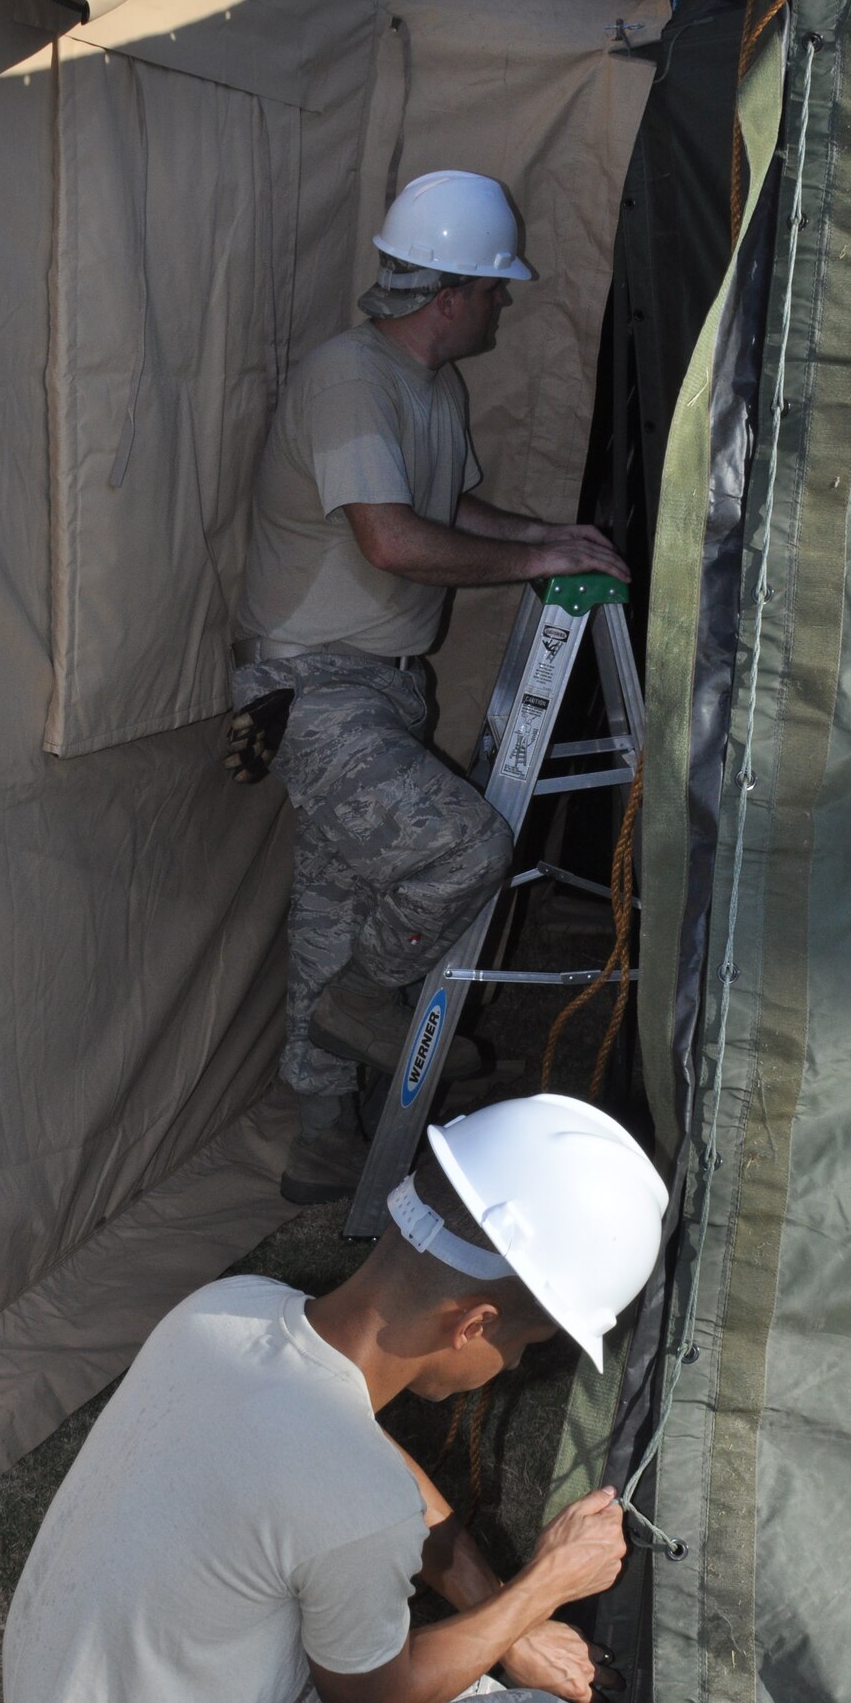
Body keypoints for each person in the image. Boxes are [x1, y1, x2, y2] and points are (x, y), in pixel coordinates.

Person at [0, 1094, 668, 1703]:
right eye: (523, 1345)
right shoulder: (353, 1501)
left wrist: (500, 1622)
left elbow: (369, 1460)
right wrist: (542, 1587)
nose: (512, 1369)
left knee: (479, 1699)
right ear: (473, 1324)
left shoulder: (231, 1310)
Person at [226, 169, 630, 1204]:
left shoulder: (427, 387)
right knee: (464, 845)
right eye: (496, 288)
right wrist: (532, 566)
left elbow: (448, 503)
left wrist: (541, 535)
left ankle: (320, 1135)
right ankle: (371, 1003)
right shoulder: (348, 378)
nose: (502, 303)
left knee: (332, 905)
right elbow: (392, 537)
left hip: (377, 686)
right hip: (306, 686)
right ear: (451, 291)